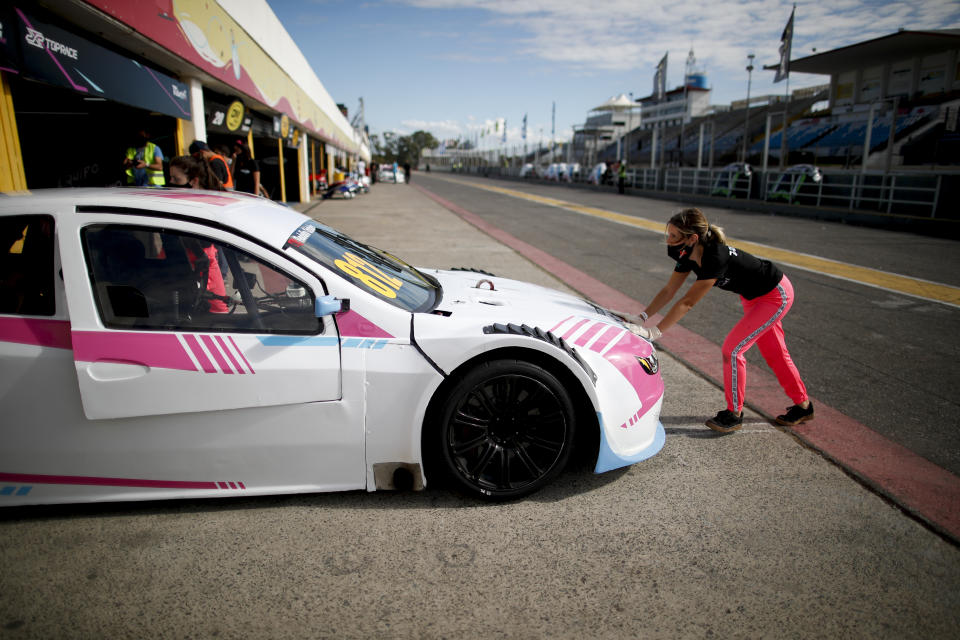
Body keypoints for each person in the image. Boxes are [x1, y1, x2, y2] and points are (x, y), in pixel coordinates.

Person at [634, 208, 812, 433]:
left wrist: (655, 332)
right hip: (753, 297)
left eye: (674, 236)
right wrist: (641, 317)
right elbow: (669, 290)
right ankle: (804, 406)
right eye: (668, 234)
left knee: (733, 350)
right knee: (774, 352)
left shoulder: (714, 258)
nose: (668, 240)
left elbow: (687, 303)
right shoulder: (686, 254)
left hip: (775, 294)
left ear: (692, 238)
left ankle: (734, 414)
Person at [168, 155, 229, 313]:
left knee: (218, 311)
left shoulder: (202, 207)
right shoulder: (192, 202)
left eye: (176, 179)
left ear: (194, 181)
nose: (171, 184)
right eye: (171, 178)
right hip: (187, 266)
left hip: (202, 264)